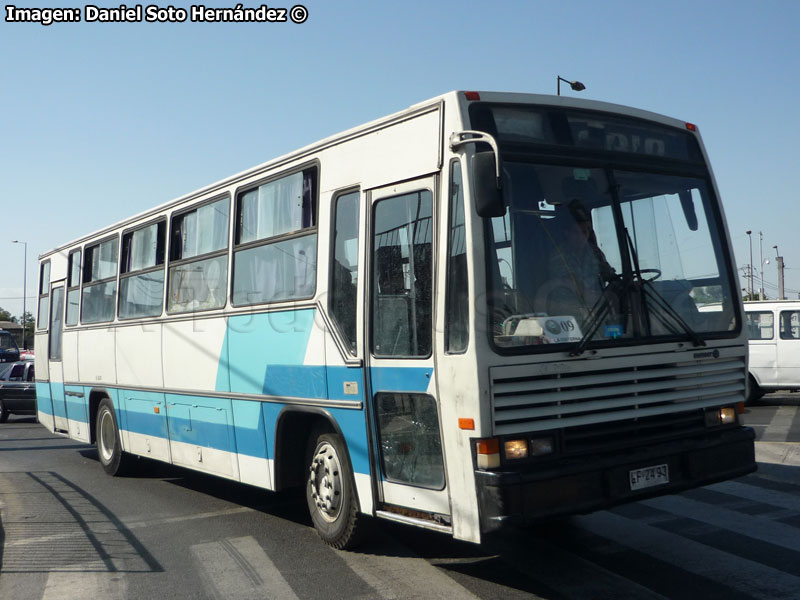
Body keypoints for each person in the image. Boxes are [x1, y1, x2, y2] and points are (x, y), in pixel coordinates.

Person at [543, 199, 617, 320]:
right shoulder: (558, 254)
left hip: (594, 308)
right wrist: (591, 295)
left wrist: (623, 284)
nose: (581, 236)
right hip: (566, 311)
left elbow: (609, 275)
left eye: (584, 232)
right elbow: (569, 282)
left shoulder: (595, 252)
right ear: (567, 233)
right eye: (576, 232)